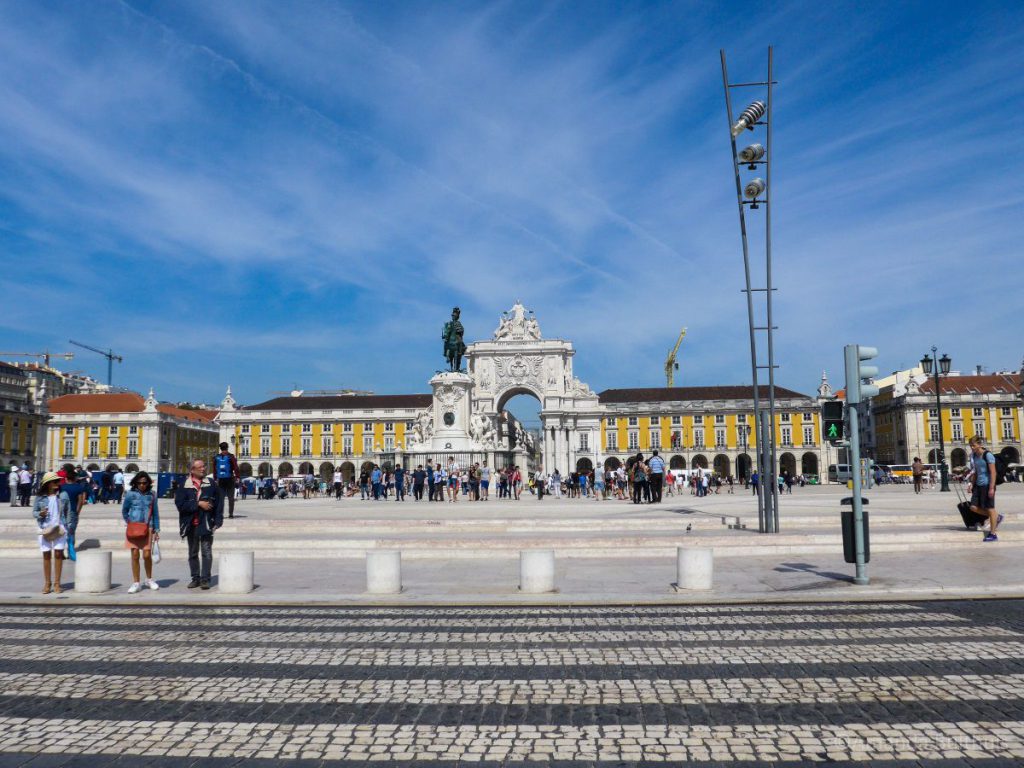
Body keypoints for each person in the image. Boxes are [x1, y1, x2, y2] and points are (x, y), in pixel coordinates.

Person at [175, 459, 223, 590]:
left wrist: (218, 520)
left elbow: (219, 502)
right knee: (193, 552)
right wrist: (198, 504)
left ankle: (205, 579)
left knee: (207, 552)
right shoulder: (184, 485)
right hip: (190, 524)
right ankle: (195, 578)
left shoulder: (211, 484)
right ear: (192, 470)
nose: (203, 469)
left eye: (204, 466)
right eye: (200, 467)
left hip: (207, 523)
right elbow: (180, 505)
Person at [121, 471, 160, 593]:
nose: (142, 485)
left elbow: (155, 513)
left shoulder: (152, 495)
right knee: (135, 555)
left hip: (148, 527)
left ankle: (149, 579)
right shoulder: (130, 494)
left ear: (148, 483)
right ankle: (136, 582)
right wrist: (130, 522)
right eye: (139, 483)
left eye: (144, 483)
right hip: (134, 527)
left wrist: (157, 529)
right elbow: (124, 510)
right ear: (135, 483)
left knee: (147, 555)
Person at [33, 472, 69, 594]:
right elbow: (34, 512)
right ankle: (47, 583)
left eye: (58, 481)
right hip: (45, 528)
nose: (57, 483)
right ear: (47, 484)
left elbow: (68, 511)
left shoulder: (63, 495)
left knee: (59, 554)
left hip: (59, 528)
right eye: (55, 481)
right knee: (46, 555)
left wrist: (67, 526)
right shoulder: (40, 497)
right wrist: (40, 514)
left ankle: (57, 583)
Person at [968, 436, 1001, 542]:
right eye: (971, 446)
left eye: (974, 445)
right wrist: (972, 484)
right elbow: (976, 472)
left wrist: (991, 488)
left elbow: (993, 472)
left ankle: (993, 534)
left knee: (990, 508)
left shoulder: (988, 455)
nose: (972, 448)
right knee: (973, 507)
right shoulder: (974, 456)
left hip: (988, 485)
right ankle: (996, 517)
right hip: (978, 484)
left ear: (980, 444)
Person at [213, 443, 240, 518]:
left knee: (220, 499)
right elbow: (236, 467)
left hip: (220, 480)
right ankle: (230, 514)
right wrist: (237, 477)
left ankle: (220, 514)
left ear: (220, 448)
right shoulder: (231, 456)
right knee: (231, 498)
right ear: (227, 448)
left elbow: (214, 469)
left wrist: (215, 478)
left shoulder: (216, 457)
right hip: (230, 479)